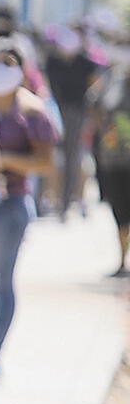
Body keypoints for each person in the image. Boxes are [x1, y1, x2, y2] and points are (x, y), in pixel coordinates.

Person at [0, 38, 59, 381]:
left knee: (2, 281)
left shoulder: (33, 112)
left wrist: (2, 160)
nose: (1, 69)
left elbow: (47, 163)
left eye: (10, 63)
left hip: (10, 206)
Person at [45, 23, 102, 219]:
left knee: (73, 157)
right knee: (53, 156)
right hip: (55, 111)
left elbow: (95, 84)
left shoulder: (86, 62)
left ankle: (67, 202)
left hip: (77, 112)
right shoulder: (52, 60)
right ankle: (52, 198)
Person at [91, 63, 130, 276]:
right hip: (114, 160)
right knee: (120, 211)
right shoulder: (112, 80)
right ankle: (122, 260)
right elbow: (93, 102)